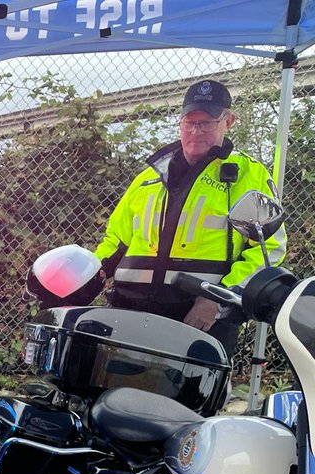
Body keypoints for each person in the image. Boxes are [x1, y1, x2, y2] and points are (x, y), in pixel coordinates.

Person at [96, 79, 285, 357]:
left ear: (228, 121)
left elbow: (269, 248)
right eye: (189, 122)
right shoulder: (149, 176)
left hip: (200, 318)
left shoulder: (249, 176)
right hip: (131, 311)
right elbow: (116, 239)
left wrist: (215, 299)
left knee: (187, 399)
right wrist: (91, 274)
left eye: (206, 123)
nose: (196, 131)